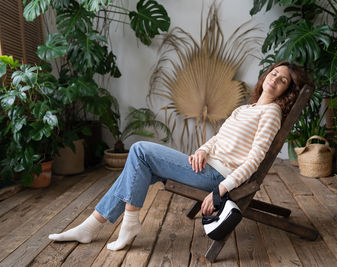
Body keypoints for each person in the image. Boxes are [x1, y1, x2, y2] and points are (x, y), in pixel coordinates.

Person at [48, 61, 311, 251]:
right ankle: (91, 227)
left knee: (139, 150)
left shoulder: (271, 114)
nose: (274, 80)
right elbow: (219, 138)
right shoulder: (248, 108)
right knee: (143, 167)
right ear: (266, 75)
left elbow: (255, 159)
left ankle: (127, 223)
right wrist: (202, 150)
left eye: (283, 81)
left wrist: (222, 189)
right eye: (274, 73)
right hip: (208, 165)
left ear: (287, 91)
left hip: (218, 177)